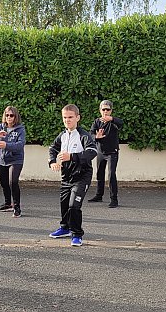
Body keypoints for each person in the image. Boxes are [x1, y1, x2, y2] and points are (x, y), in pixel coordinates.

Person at [48, 104, 98, 247]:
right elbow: (53, 148)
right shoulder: (62, 135)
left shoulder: (84, 135)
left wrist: (72, 156)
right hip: (66, 177)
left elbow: (92, 152)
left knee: (74, 206)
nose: (67, 120)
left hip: (82, 177)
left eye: (70, 117)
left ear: (77, 118)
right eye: (65, 117)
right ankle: (64, 228)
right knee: (64, 204)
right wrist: (52, 162)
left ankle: (77, 234)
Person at [0, 106, 26, 217]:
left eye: (11, 115)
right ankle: (8, 204)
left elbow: (20, 145)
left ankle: (17, 207)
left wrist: (6, 145)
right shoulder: (1, 127)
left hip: (16, 160)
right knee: (4, 183)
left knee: (13, 182)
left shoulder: (20, 129)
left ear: (15, 116)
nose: (9, 117)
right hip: (2, 159)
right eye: (7, 115)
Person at [88, 100, 124, 208]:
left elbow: (121, 123)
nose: (105, 112)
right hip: (100, 152)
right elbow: (90, 134)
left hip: (112, 152)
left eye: (107, 109)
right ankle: (99, 195)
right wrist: (96, 137)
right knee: (99, 173)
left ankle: (114, 199)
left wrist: (112, 119)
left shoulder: (114, 122)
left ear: (111, 110)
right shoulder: (97, 122)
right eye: (103, 109)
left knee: (111, 174)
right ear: (100, 110)